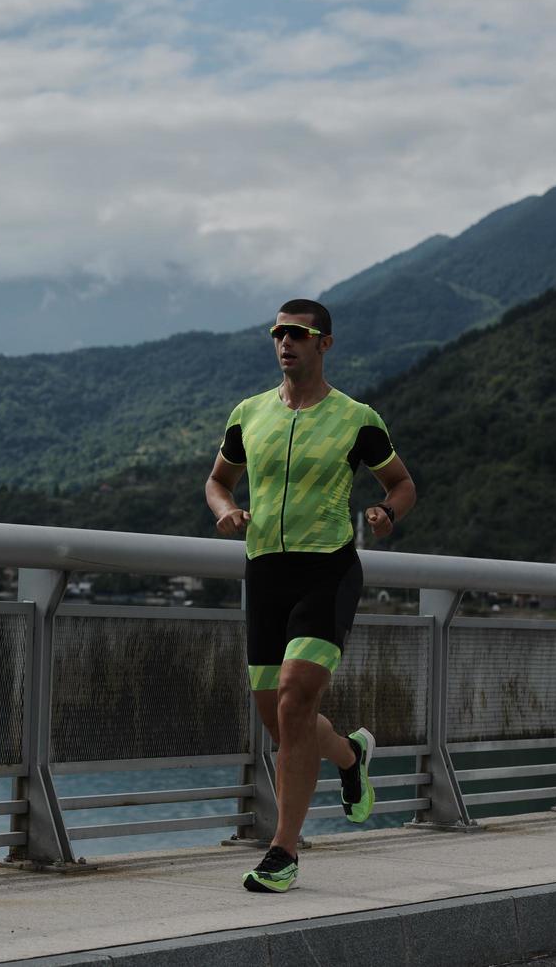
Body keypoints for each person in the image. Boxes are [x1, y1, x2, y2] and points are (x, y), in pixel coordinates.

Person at [204, 298, 416, 893]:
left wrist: (384, 511)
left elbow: (401, 484)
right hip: (265, 572)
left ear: (324, 343)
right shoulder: (248, 414)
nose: (285, 343)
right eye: (278, 334)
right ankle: (349, 756)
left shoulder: (357, 418)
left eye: (298, 334)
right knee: (282, 725)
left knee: (297, 701)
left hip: (327, 570)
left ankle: (283, 851)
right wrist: (226, 511)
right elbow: (218, 480)